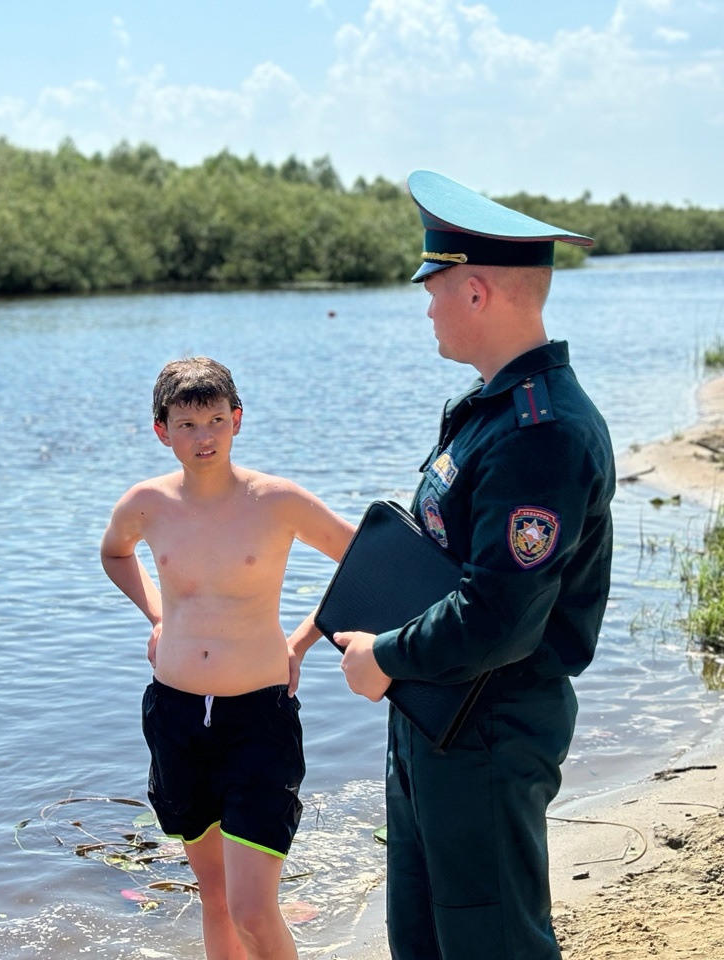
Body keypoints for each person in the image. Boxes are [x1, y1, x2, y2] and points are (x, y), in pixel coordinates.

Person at [336, 170, 615, 960]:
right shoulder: (492, 408)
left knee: (492, 942)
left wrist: (384, 655)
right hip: (438, 713)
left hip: (489, 723)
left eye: (436, 284)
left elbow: (499, 615)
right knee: (425, 938)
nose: (426, 302)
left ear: (478, 291)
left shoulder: (541, 431)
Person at [100, 357, 355, 960]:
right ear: (162, 430)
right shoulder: (146, 503)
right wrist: (157, 614)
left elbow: (362, 558)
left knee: (252, 908)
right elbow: (114, 554)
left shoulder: (277, 500)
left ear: (237, 420)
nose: (204, 436)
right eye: (187, 424)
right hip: (175, 715)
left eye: (216, 419)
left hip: (258, 718)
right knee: (214, 897)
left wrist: (303, 639)